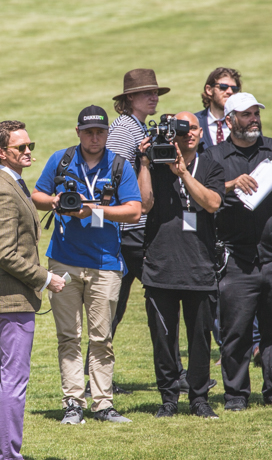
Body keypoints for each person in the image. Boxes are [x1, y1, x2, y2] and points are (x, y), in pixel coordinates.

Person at [31, 106, 142, 425]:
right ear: (77, 132)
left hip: (105, 263)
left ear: (107, 133)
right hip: (64, 260)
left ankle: (103, 402)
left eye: (100, 132)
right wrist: (56, 202)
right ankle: (72, 402)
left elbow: (134, 211)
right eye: (88, 132)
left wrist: (93, 211)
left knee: (101, 337)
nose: (95, 137)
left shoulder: (119, 165)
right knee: (68, 335)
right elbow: (37, 194)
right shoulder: (61, 160)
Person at [0, 121, 65, 460]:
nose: (29, 151)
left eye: (30, 145)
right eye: (21, 148)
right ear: (2, 152)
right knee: (14, 379)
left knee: (1, 377)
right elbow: (5, 254)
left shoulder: (11, 183)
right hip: (12, 298)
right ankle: (10, 458)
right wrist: (46, 279)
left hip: (10, 298)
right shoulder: (2, 189)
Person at [210, 93, 272, 410]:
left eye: (256, 114)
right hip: (235, 259)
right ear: (229, 120)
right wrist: (230, 184)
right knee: (235, 331)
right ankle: (236, 395)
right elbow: (202, 194)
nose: (253, 119)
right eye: (246, 114)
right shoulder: (214, 156)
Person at [137, 112, 224, 418]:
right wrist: (146, 162)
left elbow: (212, 203)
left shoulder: (211, 165)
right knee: (163, 338)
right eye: (181, 128)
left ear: (202, 132)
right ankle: (168, 399)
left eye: (193, 128)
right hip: (161, 265)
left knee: (200, 338)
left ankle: (199, 399)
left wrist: (184, 174)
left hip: (199, 265)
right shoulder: (155, 164)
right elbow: (144, 205)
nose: (188, 133)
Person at [106, 68, 167, 394]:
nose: (154, 96)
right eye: (147, 93)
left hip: (135, 230)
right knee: (119, 305)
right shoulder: (123, 131)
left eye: (155, 92)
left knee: (115, 307)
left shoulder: (138, 127)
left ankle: (97, 381)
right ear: (129, 98)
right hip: (128, 231)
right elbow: (112, 176)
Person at [195, 67, 242, 150]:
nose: (230, 91)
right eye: (223, 87)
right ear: (209, 90)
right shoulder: (194, 122)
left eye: (234, 89)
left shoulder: (245, 123)